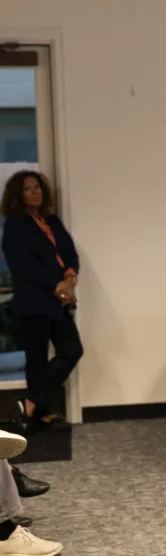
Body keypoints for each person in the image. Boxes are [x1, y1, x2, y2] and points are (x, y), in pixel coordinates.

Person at [0, 171, 82, 434]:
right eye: (28, 189)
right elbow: (23, 265)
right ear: (18, 195)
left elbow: (69, 253)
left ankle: (28, 403)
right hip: (34, 301)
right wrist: (57, 286)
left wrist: (69, 279)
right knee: (36, 360)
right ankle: (39, 415)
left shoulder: (52, 221)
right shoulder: (15, 225)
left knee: (71, 350)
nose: (35, 192)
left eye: (37, 187)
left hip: (59, 299)